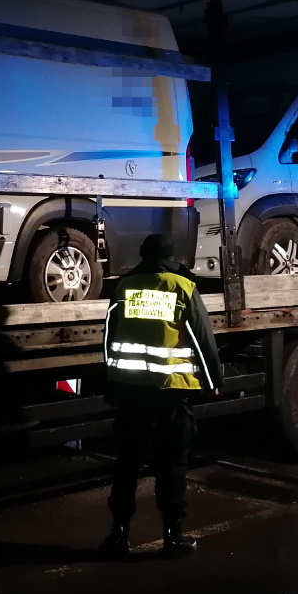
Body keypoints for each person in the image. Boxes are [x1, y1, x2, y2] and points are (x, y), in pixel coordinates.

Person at [98, 232, 223, 558]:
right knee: (172, 464)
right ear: (170, 257)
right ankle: (173, 535)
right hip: (171, 391)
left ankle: (118, 535)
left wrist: (112, 380)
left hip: (130, 388)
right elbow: (201, 338)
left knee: (126, 463)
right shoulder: (182, 287)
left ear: (143, 254)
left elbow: (109, 336)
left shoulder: (124, 287)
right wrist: (213, 379)